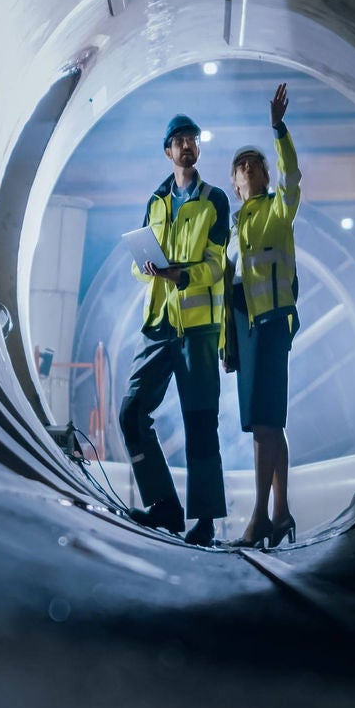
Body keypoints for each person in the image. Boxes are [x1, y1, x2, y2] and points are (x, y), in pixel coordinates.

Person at [118, 113, 232, 545]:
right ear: (168, 151)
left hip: (198, 329)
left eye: (192, 140)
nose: (187, 145)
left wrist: (180, 276)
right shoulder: (156, 202)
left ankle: (204, 522)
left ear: (198, 150)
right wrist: (147, 267)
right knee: (131, 412)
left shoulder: (214, 200)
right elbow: (138, 267)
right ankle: (164, 506)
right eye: (179, 141)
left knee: (200, 422)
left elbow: (218, 264)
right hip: (158, 324)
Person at [227, 83, 302, 548]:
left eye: (256, 163)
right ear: (235, 182)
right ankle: (281, 512)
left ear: (264, 176)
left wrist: (278, 130)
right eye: (241, 165)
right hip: (246, 330)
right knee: (270, 421)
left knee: (263, 422)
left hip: (271, 325)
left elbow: (293, 177)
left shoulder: (277, 211)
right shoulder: (234, 227)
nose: (249, 167)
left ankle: (258, 520)